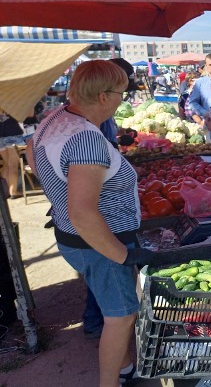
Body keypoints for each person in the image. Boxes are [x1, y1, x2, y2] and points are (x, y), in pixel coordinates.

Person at [27, 60, 154, 387]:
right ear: (102, 96)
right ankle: (110, 382)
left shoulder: (54, 118)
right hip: (100, 242)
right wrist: (121, 255)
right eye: (121, 95)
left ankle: (125, 367)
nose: (122, 101)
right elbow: (83, 213)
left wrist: (56, 190)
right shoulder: (87, 141)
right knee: (122, 315)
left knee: (113, 305)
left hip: (74, 237)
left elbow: (32, 151)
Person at [188, 53, 211, 129]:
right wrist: (205, 113)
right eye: (210, 65)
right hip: (208, 124)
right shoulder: (200, 83)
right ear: (206, 66)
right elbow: (192, 102)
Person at [0, 110, 25, 199]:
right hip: (12, 133)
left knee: (7, 165)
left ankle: (5, 192)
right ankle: (13, 191)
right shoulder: (11, 101)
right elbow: (27, 115)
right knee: (13, 165)